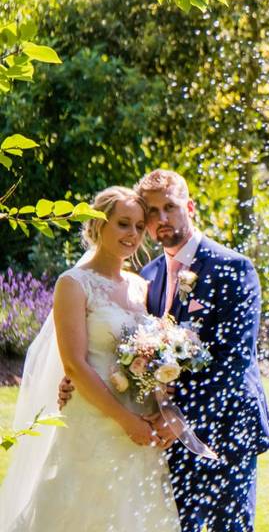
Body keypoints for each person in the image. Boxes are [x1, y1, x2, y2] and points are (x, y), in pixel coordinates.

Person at [60, 169, 269, 532]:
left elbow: (234, 363)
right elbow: (132, 348)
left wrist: (178, 418)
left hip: (225, 430)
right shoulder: (150, 275)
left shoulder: (233, 268)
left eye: (170, 208)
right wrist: (73, 380)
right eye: (152, 213)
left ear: (188, 207)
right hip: (168, 440)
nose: (161, 220)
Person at [0, 187, 180, 531]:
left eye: (140, 227)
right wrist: (125, 420)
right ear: (99, 226)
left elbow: (149, 353)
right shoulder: (73, 283)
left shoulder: (139, 286)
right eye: (123, 224)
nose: (133, 235)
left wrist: (156, 402)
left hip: (141, 423)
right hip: (95, 419)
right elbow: (74, 365)